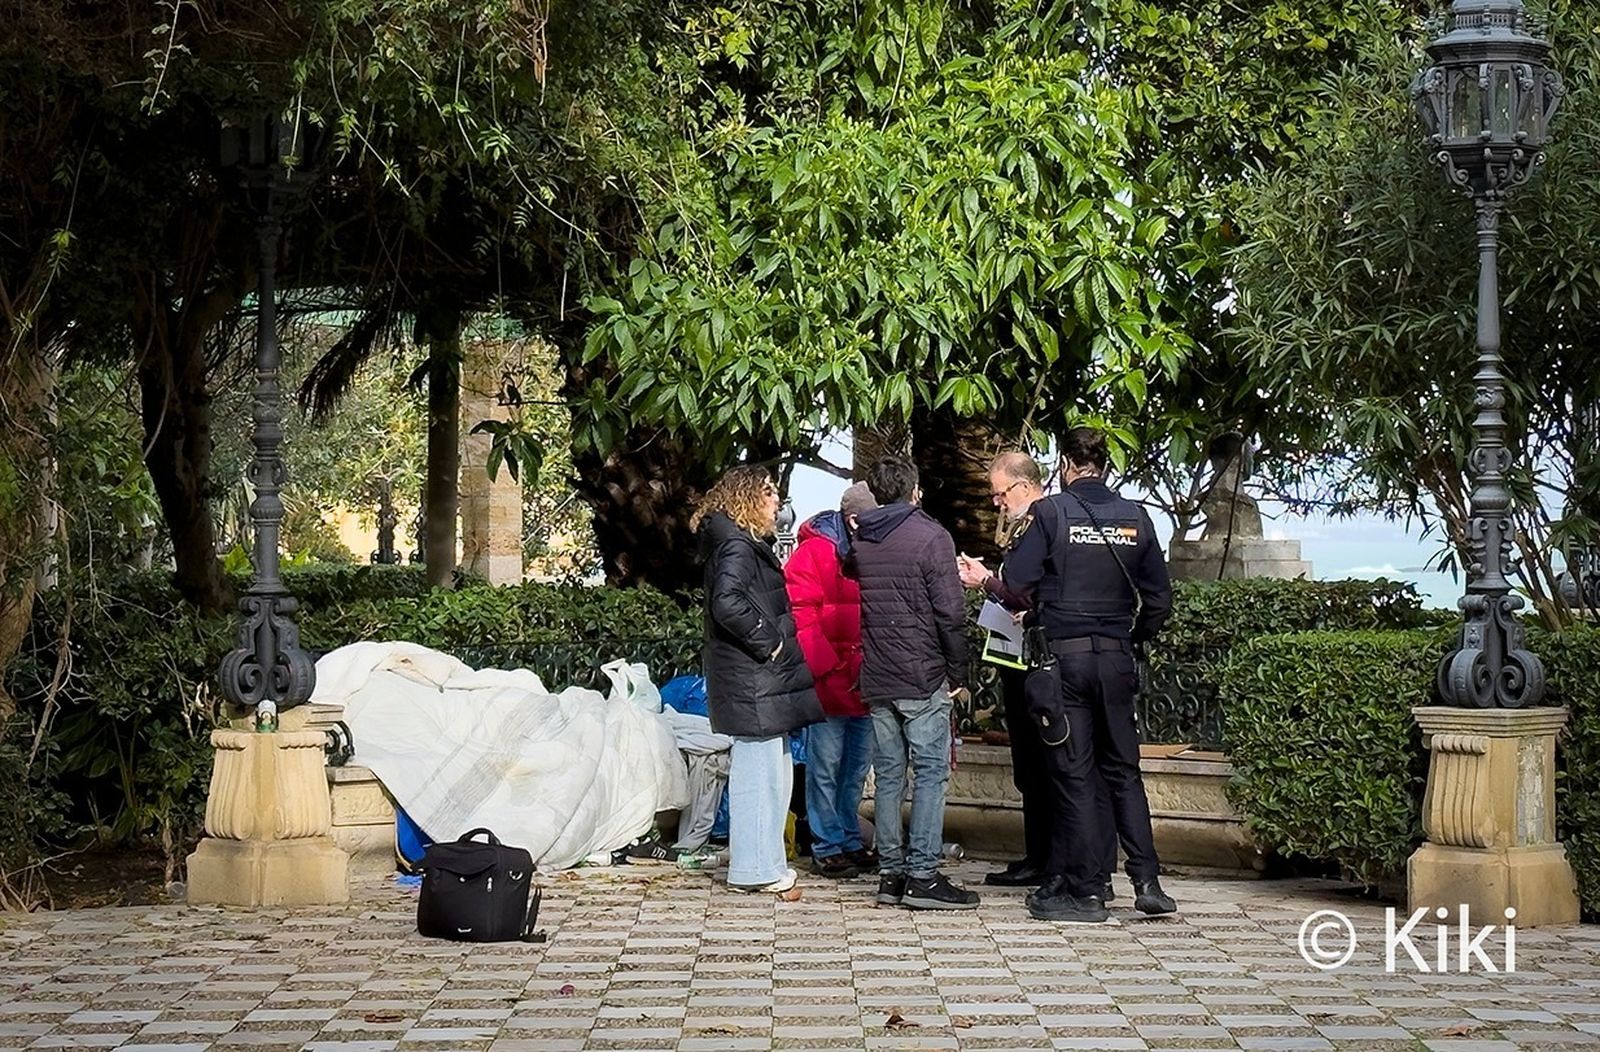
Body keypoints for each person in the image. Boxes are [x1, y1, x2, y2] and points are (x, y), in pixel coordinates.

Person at [1000, 427, 1177, 924]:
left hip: (1066, 660)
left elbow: (1017, 583)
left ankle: (1087, 892)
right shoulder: (1137, 517)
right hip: (1117, 656)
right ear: (1105, 464)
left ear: (1065, 464)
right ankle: (1148, 882)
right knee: (1123, 770)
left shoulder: (1050, 512)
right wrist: (1132, 637)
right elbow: (1160, 600)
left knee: (1075, 773)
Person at [957, 453, 1118, 896]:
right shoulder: (1026, 524)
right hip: (1017, 656)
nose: (995, 502)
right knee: (1030, 765)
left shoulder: (1048, 521)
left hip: (1045, 660)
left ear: (1024, 487)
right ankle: (1039, 856)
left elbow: (1029, 592)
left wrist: (986, 581)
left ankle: (1057, 862)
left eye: (999, 493)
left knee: (1052, 763)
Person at [852, 456, 978, 910]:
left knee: (888, 776)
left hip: (879, 673)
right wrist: (958, 671)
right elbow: (950, 612)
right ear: (915, 491)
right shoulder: (931, 536)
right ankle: (923, 874)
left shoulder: (861, 538)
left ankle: (891, 874)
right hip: (922, 673)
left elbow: (853, 572)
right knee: (930, 774)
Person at [693, 466, 825, 894]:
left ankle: (763, 863)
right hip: (753, 678)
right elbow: (726, 602)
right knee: (759, 774)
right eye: (769, 494)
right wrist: (768, 642)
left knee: (772, 772)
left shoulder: (738, 541)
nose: (776, 503)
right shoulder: (736, 544)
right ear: (749, 497)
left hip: (757, 680)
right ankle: (754, 868)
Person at [784, 482, 881, 879]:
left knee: (855, 768)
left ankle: (846, 838)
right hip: (832, 680)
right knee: (825, 768)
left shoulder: (868, 548)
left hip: (866, 681)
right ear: (855, 519)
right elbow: (799, 612)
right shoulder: (815, 551)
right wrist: (826, 667)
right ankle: (826, 845)